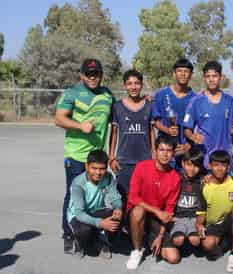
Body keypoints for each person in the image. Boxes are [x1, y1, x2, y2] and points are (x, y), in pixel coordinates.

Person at [55, 58, 115, 253]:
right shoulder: (72, 93)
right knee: (74, 195)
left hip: (97, 158)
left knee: (98, 196)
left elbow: (119, 113)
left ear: (101, 75)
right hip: (76, 156)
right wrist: (80, 126)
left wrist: (142, 100)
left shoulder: (107, 94)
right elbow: (59, 118)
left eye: (96, 73)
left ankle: (93, 232)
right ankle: (68, 233)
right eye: (88, 74)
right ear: (81, 75)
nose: (92, 77)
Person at [126, 135, 181, 269]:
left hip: (156, 220)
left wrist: (161, 236)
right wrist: (157, 211)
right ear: (155, 151)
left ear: (173, 154)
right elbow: (132, 197)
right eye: (161, 150)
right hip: (136, 214)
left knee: (174, 258)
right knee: (139, 211)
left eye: (168, 151)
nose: (165, 154)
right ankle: (137, 251)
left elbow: (168, 211)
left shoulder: (175, 178)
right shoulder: (141, 167)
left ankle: (150, 238)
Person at [109, 69, 155, 204]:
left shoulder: (149, 106)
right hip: (124, 161)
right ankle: (123, 225)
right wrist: (111, 157)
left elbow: (151, 131)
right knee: (123, 199)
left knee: (145, 199)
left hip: (145, 160)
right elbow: (114, 133)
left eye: (136, 83)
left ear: (141, 85)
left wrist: (154, 153)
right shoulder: (117, 107)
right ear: (124, 86)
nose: (133, 87)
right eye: (129, 84)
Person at [196, 150, 233, 273]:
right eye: (216, 165)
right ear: (210, 166)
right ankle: (227, 242)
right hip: (214, 224)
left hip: (231, 220)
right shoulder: (204, 186)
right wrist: (199, 225)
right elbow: (201, 212)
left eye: (223, 165)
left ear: (228, 166)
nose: (220, 169)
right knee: (207, 244)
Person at [66, 150, 122, 259]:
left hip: (96, 210)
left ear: (106, 168)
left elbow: (115, 198)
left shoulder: (108, 177)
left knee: (120, 216)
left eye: (102, 169)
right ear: (87, 166)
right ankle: (80, 243)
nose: (98, 172)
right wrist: (100, 223)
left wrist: (118, 208)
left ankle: (102, 241)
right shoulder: (78, 183)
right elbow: (79, 213)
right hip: (78, 216)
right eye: (94, 168)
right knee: (84, 230)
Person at [184, 61, 233, 168]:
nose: (211, 79)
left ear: (221, 77)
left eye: (214, 76)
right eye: (208, 76)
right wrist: (193, 136)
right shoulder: (196, 101)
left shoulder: (229, 100)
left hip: (224, 157)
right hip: (204, 157)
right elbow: (187, 129)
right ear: (204, 78)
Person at [152, 58, 197, 168]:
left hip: (185, 152)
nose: (183, 74)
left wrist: (189, 144)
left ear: (191, 75)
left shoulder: (195, 98)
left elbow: (197, 126)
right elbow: (155, 122)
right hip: (165, 152)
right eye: (179, 71)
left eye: (186, 71)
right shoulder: (161, 94)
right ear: (174, 73)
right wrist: (167, 130)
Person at [170, 148, 205, 251]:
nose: (192, 169)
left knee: (195, 240)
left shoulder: (202, 181)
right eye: (189, 165)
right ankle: (178, 238)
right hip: (178, 218)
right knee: (178, 240)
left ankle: (190, 238)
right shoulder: (176, 179)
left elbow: (203, 207)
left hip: (195, 219)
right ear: (183, 163)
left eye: (196, 166)